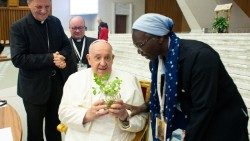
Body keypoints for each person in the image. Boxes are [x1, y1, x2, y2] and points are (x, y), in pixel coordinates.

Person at [126, 13, 249, 141]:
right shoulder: (156, 62)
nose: (139, 51)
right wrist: (144, 107)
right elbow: (163, 95)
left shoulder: (201, 57)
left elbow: (203, 108)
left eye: (141, 45)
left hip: (222, 125)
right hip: (193, 117)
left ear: (160, 38)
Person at [58, 40, 147, 141]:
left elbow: (142, 119)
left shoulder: (130, 80)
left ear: (113, 59)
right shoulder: (74, 79)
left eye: (107, 57)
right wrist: (87, 115)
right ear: (89, 59)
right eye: (98, 58)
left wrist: (124, 117)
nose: (103, 63)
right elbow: (63, 114)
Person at [9, 0, 73, 140]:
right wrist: (50, 58)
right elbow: (18, 59)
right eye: (39, 7)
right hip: (33, 88)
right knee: (35, 131)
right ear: (29, 4)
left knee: (55, 126)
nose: (44, 11)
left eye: (47, 7)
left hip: (56, 86)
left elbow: (67, 46)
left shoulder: (55, 22)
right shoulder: (18, 27)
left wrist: (61, 57)